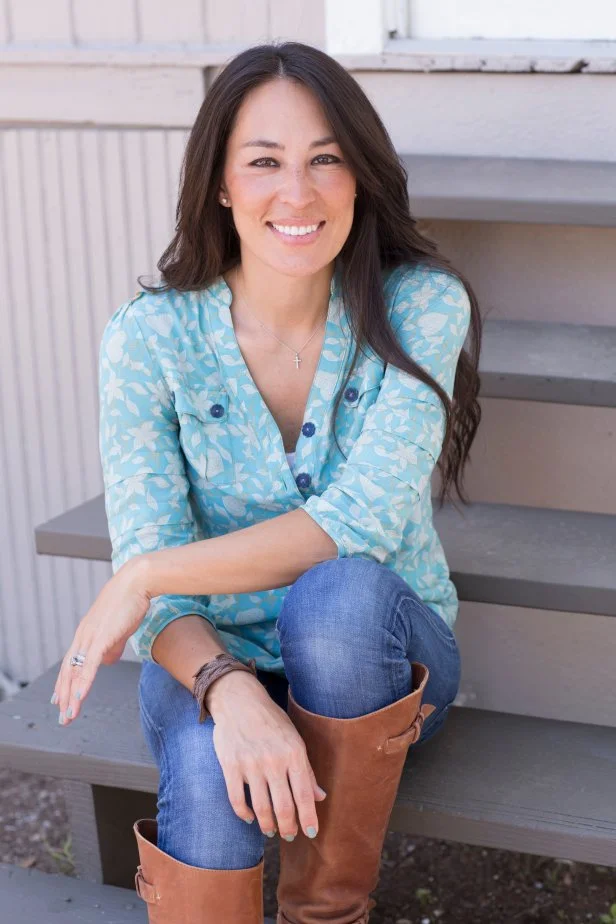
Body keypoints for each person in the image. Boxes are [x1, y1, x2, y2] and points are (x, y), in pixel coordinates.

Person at [51, 40, 482, 924]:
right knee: (210, 767)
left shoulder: (422, 306)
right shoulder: (151, 340)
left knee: (339, 595)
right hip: (210, 655)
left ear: (361, 176)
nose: (299, 191)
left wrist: (142, 573)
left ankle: (326, 913)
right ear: (220, 183)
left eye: (327, 158)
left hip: (379, 665)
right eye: (264, 162)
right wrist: (229, 687)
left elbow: (353, 526)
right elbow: (165, 601)